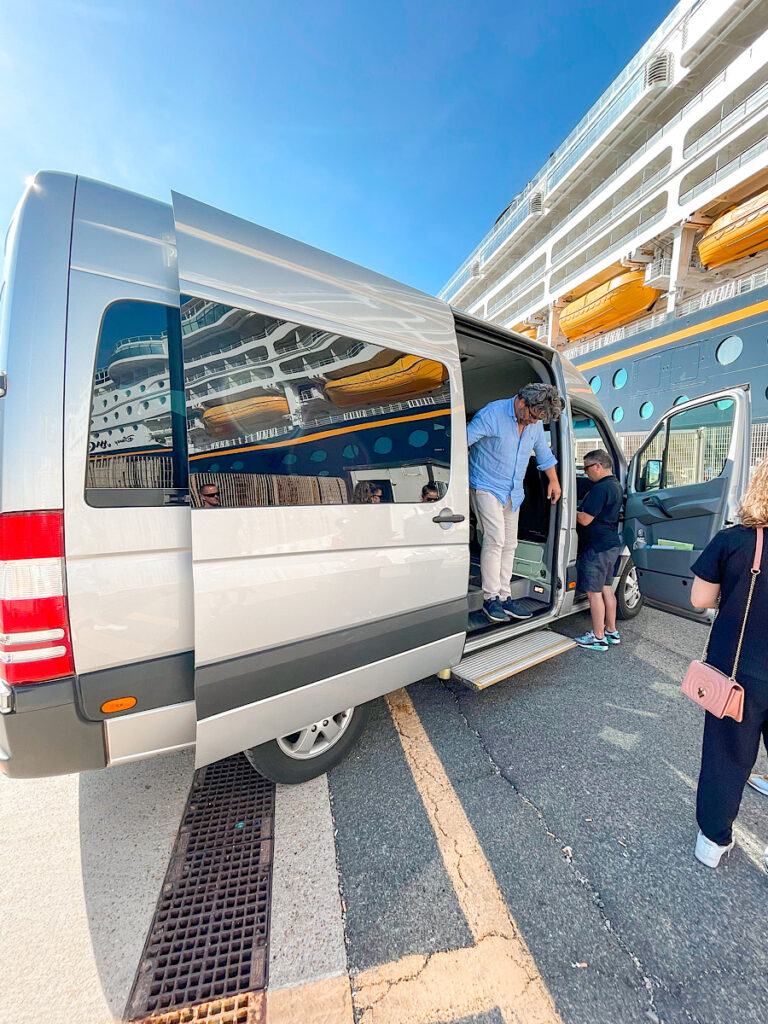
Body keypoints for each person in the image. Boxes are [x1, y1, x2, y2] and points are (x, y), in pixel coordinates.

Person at [689, 457, 768, 869]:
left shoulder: (735, 540)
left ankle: (713, 843)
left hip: (739, 672)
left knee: (726, 755)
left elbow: (700, 600)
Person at [467, 382, 564, 624]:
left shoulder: (534, 424)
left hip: (513, 491)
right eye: (532, 416)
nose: (533, 423)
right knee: (495, 538)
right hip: (485, 485)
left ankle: (504, 596)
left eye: (538, 420)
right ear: (522, 401)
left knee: (510, 544)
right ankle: (490, 599)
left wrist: (554, 481)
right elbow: (463, 441)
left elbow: (543, 453)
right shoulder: (492, 414)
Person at [574, 450, 624, 652]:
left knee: (593, 593)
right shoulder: (616, 486)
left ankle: (598, 637)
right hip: (611, 544)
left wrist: (568, 510)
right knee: (606, 589)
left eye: (586, 468)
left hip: (596, 547)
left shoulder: (600, 489)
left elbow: (585, 519)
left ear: (597, 466)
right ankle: (611, 631)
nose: (586, 473)